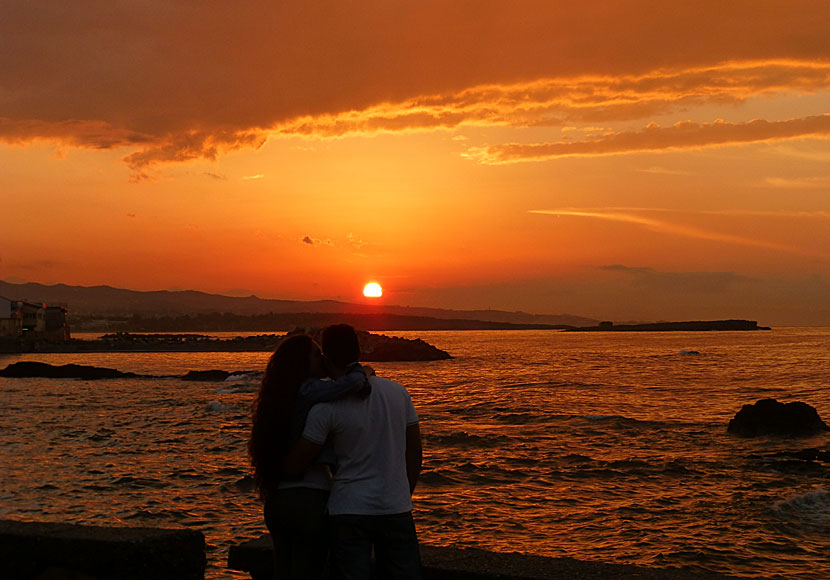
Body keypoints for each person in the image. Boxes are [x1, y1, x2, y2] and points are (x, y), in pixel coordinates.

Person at [284, 324, 423, 580]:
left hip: (349, 509)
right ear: (358, 351)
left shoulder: (325, 407)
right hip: (395, 507)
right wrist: (403, 492)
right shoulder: (398, 393)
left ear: (326, 357)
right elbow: (414, 452)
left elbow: (298, 463)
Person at [249, 333, 371, 580]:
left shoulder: (280, 395)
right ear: (301, 363)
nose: (323, 358)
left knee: (283, 571)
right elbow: (350, 386)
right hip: (307, 499)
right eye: (316, 354)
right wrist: (362, 371)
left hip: (278, 501)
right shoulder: (308, 390)